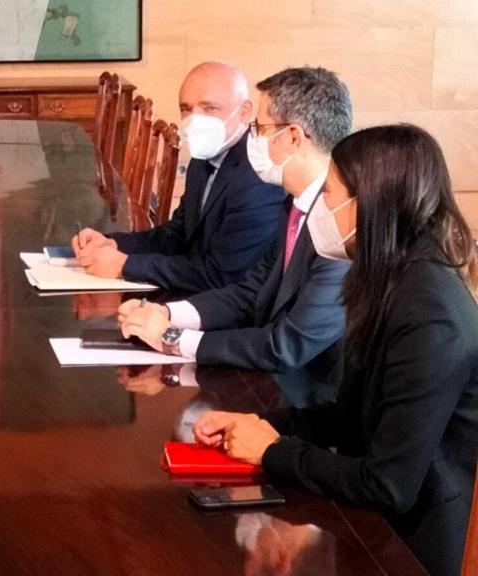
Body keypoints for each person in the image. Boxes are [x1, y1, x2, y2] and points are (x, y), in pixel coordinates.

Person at [193, 124, 478, 576]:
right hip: (368, 514)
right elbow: (350, 416)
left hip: (409, 545)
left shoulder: (429, 313)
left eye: (330, 192)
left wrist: (272, 452)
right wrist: (260, 424)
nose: (322, 207)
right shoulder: (393, 278)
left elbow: (388, 484)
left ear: (369, 205)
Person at [117, 68, 353, 403]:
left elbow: (287, 346)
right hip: (266, 379)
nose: (251, 139)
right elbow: (249, 293)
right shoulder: (296, 204)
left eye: (259, 128)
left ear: (294, 137)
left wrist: (172, 338)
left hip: (307, 404)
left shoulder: (340, 223)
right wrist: (168, 314)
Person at [71, 62, 286, 292]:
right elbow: (177, 235)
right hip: (195, 290)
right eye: (186, 108)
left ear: (244, 111)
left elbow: (222, 275)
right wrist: (114, 243)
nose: (195, 119)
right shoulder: (203, 157)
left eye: (210, 108)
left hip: (228, 308)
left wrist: (126, 265)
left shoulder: (258, 177)